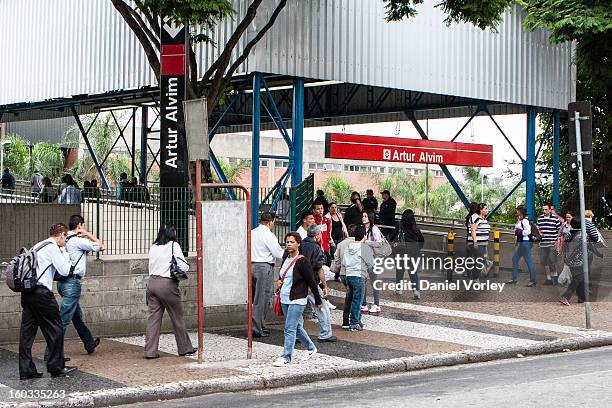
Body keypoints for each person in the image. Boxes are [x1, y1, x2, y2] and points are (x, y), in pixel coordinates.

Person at [19, 223, 76, 380]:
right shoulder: (52, 247)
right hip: (41, 294)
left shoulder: (39, 245)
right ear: (61, 235)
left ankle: (26, 370)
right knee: (56, 328)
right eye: (66, 238)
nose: (66, 242)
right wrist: (64, 251)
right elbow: (65, 270)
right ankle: (56, 368)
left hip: (28, 292)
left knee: (27, 333)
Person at [44, 215, 104, 361]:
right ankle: (50, 353)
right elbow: (102, 246)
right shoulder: (78, 240)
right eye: (82, 226)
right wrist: (88, 234)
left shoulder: (65, 240)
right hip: (72, 284)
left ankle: (89, 343)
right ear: (79, 225)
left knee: (76, 317)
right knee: (63, 320)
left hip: (61, 283)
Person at [145, 224, 196, 359]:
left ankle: (150, 351)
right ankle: (185, 348)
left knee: (153, 318)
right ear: (171, 233)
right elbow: (182, 266)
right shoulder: (174, 245)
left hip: (151, 283)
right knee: (176, 316)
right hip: (167, 284)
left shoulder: (153, 247)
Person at [272, 232, 322, 367]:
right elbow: (283, 276)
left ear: (298, 243)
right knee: (296, 326)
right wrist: (279, 282)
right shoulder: (285, 257)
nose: (289, 244)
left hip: (298, 299)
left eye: (292, 242)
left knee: (289, 328)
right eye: (287, 242)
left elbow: (311, 281)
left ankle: (286, 357)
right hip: (284, 298)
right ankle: (311, 348)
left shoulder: (302, 261)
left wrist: (318, 300)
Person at [290, 224, 336, 343]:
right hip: (311, 283)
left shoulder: (300, 244)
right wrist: (325, 286)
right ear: (316, 235)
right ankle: (325, 334)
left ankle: (296, 335)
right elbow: (319, 268)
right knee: (322, 307)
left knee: (297, 309)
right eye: (320, 234)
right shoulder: (316, 248)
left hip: (296, 282)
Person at [250, 212, 284, 338]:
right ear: (270, 222)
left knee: (255, 299)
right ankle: (257, 328)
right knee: (263, 299)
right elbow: (278, 253)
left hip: (251, 266)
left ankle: (258, 325)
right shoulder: (269, 235)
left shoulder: (252, 233)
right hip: (264, 267)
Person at [342, 225, 374, 331]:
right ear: (364, 236)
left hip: (348, 275)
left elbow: (344, 262)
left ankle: (354, 320)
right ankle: (354, 322)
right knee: (357, 301)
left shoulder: (348, 247)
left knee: (350, 299)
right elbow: (371, 264)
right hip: (359, 276)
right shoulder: (364, 248)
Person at [389, 209, 424, 299]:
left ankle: (398, 289)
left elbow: (392, 237)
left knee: (400, 271)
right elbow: (421, 240)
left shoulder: (399, 226)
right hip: (413, 252)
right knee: (413, 272)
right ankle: (416, 291)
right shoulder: (415, 228)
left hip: (401, 252)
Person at [559, 218, 593, 305]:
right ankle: (565, 297)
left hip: (570, 261)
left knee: (580, 279)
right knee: (578, 279)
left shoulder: (569, 233)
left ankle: (581, 298)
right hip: (579, 261)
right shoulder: (583, 235)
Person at [332, 224, 357, 328]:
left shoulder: (341, 244)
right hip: (355, 274)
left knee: (348, 297)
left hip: (343, 273)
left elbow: (336, 258)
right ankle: (354, 321)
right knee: (355, 298)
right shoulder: (358, 243)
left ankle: (345, 320)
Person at [508, 205, 537, 287]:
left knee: (528, 261)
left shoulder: (524, 221)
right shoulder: (519, 220)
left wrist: (519, 232)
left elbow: (528, 231)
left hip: (525, 242)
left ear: (521, 211)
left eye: (517, 210)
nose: (516, 212)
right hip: (522, 243)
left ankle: (533, 281)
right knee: (515, 259)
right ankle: (514, 279)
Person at [361, 211, 383, 314]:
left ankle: (377, 304)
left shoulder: (374, 229)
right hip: (364, 259)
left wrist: (367, 242)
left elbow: (379, 243)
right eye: (363, 216)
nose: (363, 218)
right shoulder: (362, 228)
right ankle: (364, 304)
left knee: (374, 282)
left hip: (373, 259)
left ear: (370, 218)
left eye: (365, 216)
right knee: (363, 281)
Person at [537, 203, 562, 285]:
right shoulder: (540, 218)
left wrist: (557, 241)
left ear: (550, 210)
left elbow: (559, 230)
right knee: (544, 262)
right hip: (543, 243)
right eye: (543, 209)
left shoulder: (555, 218)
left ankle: (555, 277)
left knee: (552, 261)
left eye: (546, 209)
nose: (544, 211)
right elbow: (538, 229)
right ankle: (548, 279)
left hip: (552, 243)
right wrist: (539, 233)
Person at [468, 203, 491, 281]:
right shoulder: (475, 217)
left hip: (483, 243)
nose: (487, 210)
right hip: (478, 243)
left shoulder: (483, 218)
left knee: (481, 260)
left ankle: (474, 277)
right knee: (480, 260)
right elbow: (473, 230)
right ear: (481, 210)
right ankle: (475, 278)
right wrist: (475, 242)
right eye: (485, 208)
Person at [464, 202, 479, 278]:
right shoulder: (477, 217)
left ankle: (468, 272)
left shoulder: (468, 217)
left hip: (469, 239)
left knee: (469, 256)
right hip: (477, 239)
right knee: (476, 256)